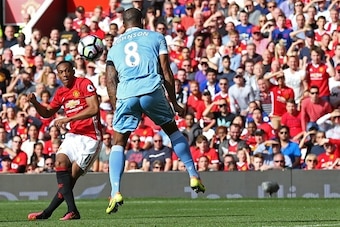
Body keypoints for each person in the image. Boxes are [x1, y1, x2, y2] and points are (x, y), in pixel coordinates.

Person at [105, 8, 205, 214]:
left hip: (126, 94)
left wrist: (117, 107)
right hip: (151, 89)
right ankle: (193, 174)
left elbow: (110, 80)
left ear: (123, 25)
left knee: (119, 142)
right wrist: (174, 102)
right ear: (142, 21)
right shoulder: (156, 36)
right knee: (172, 130)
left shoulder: (115, 46)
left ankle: (115, 191)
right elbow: (166, 70)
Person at [27, 60, 103, 221]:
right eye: (61, 72)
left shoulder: (84, 83)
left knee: (70, 179)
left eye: (67, 71)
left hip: (91, 138)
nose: (64, 74)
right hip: (74, 135)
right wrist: (35, 102)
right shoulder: (61, 92)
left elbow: (94, 108)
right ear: (58, 75)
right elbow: (47, 112)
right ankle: (71, 211)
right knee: (60, 162)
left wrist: (69, 118)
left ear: (73, 71)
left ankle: (48, 212)